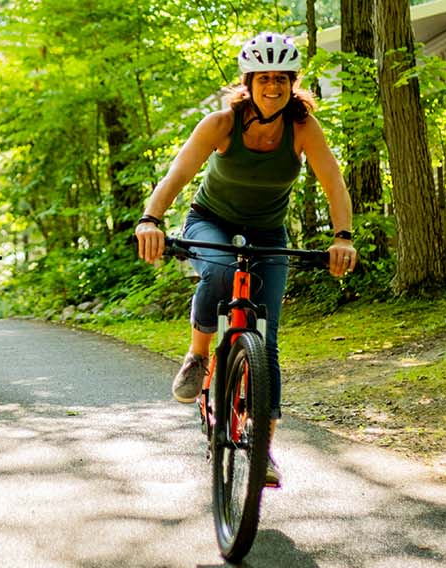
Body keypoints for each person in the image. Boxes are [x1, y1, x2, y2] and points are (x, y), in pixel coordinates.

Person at [133, 32, 358, 485]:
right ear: (248, 82)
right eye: (263, 78)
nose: (272, 87)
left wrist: (343, 237)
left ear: (291, 83)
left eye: (281, 79)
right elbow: (178, 173)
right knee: (216, 271)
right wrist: (150, 220)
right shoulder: (221, 124)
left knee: (267, 336)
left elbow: (334, 183)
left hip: (268, 232)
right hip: (209, 221)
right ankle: (198, 356)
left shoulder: (302, 128)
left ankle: (262, 447)